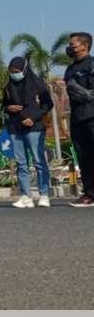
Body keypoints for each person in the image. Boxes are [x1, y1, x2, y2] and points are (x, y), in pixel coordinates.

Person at [2, 57, 54, 209]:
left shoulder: (38, 85)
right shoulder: (7, 86)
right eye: (11, 72)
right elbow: (3, 105)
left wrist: (34, 117)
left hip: (34, 127)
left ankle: (44, 194)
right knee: (21, 163)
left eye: (17, 72)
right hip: (14, 127)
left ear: (25, 70)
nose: (14, 74)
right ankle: (26, 196)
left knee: (39, 161)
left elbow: (47, 104)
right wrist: (8, 108)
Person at [64, 32, 94, 207]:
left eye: (73, 45)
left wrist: (81, 92)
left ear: (84, 46)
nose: (70, 48)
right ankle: (89, 193)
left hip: (92, 115)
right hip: (77, 117)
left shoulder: (91, 64)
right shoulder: (70, 68)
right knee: (83, 156)